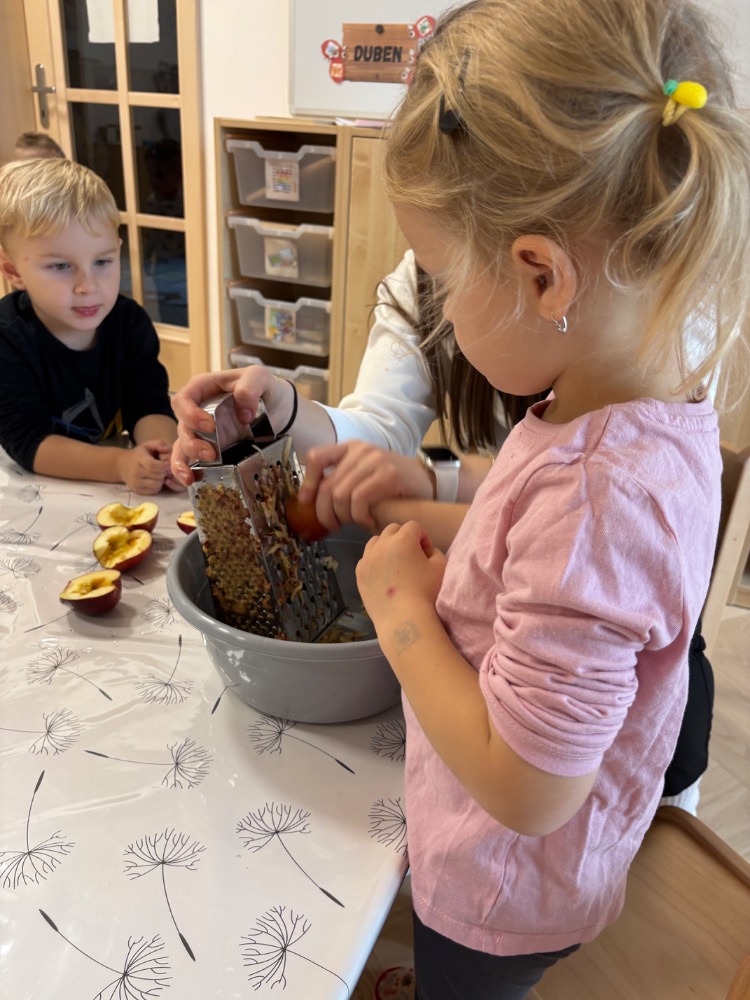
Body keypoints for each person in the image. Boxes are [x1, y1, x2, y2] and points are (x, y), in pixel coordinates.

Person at [180, 1, 749, 996]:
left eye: (440, 280)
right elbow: (533, 521)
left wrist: (401, 613)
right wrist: (432, 496)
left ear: (541, 277)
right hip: (547, 859)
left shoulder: (601, 497)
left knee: (463, 978)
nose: (433, 305)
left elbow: (530, 788)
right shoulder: (641, 393)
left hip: (500, 887)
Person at [0, 157, 180, 494]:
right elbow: (28, 441)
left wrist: (164, 453)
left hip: (104, 485)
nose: (88, 286)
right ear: (12, 271)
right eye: (61, 266)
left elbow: (148, 403)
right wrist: (120, 465)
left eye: (102, 261)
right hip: (30, 489)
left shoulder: (129, 322)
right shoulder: (7, 338)